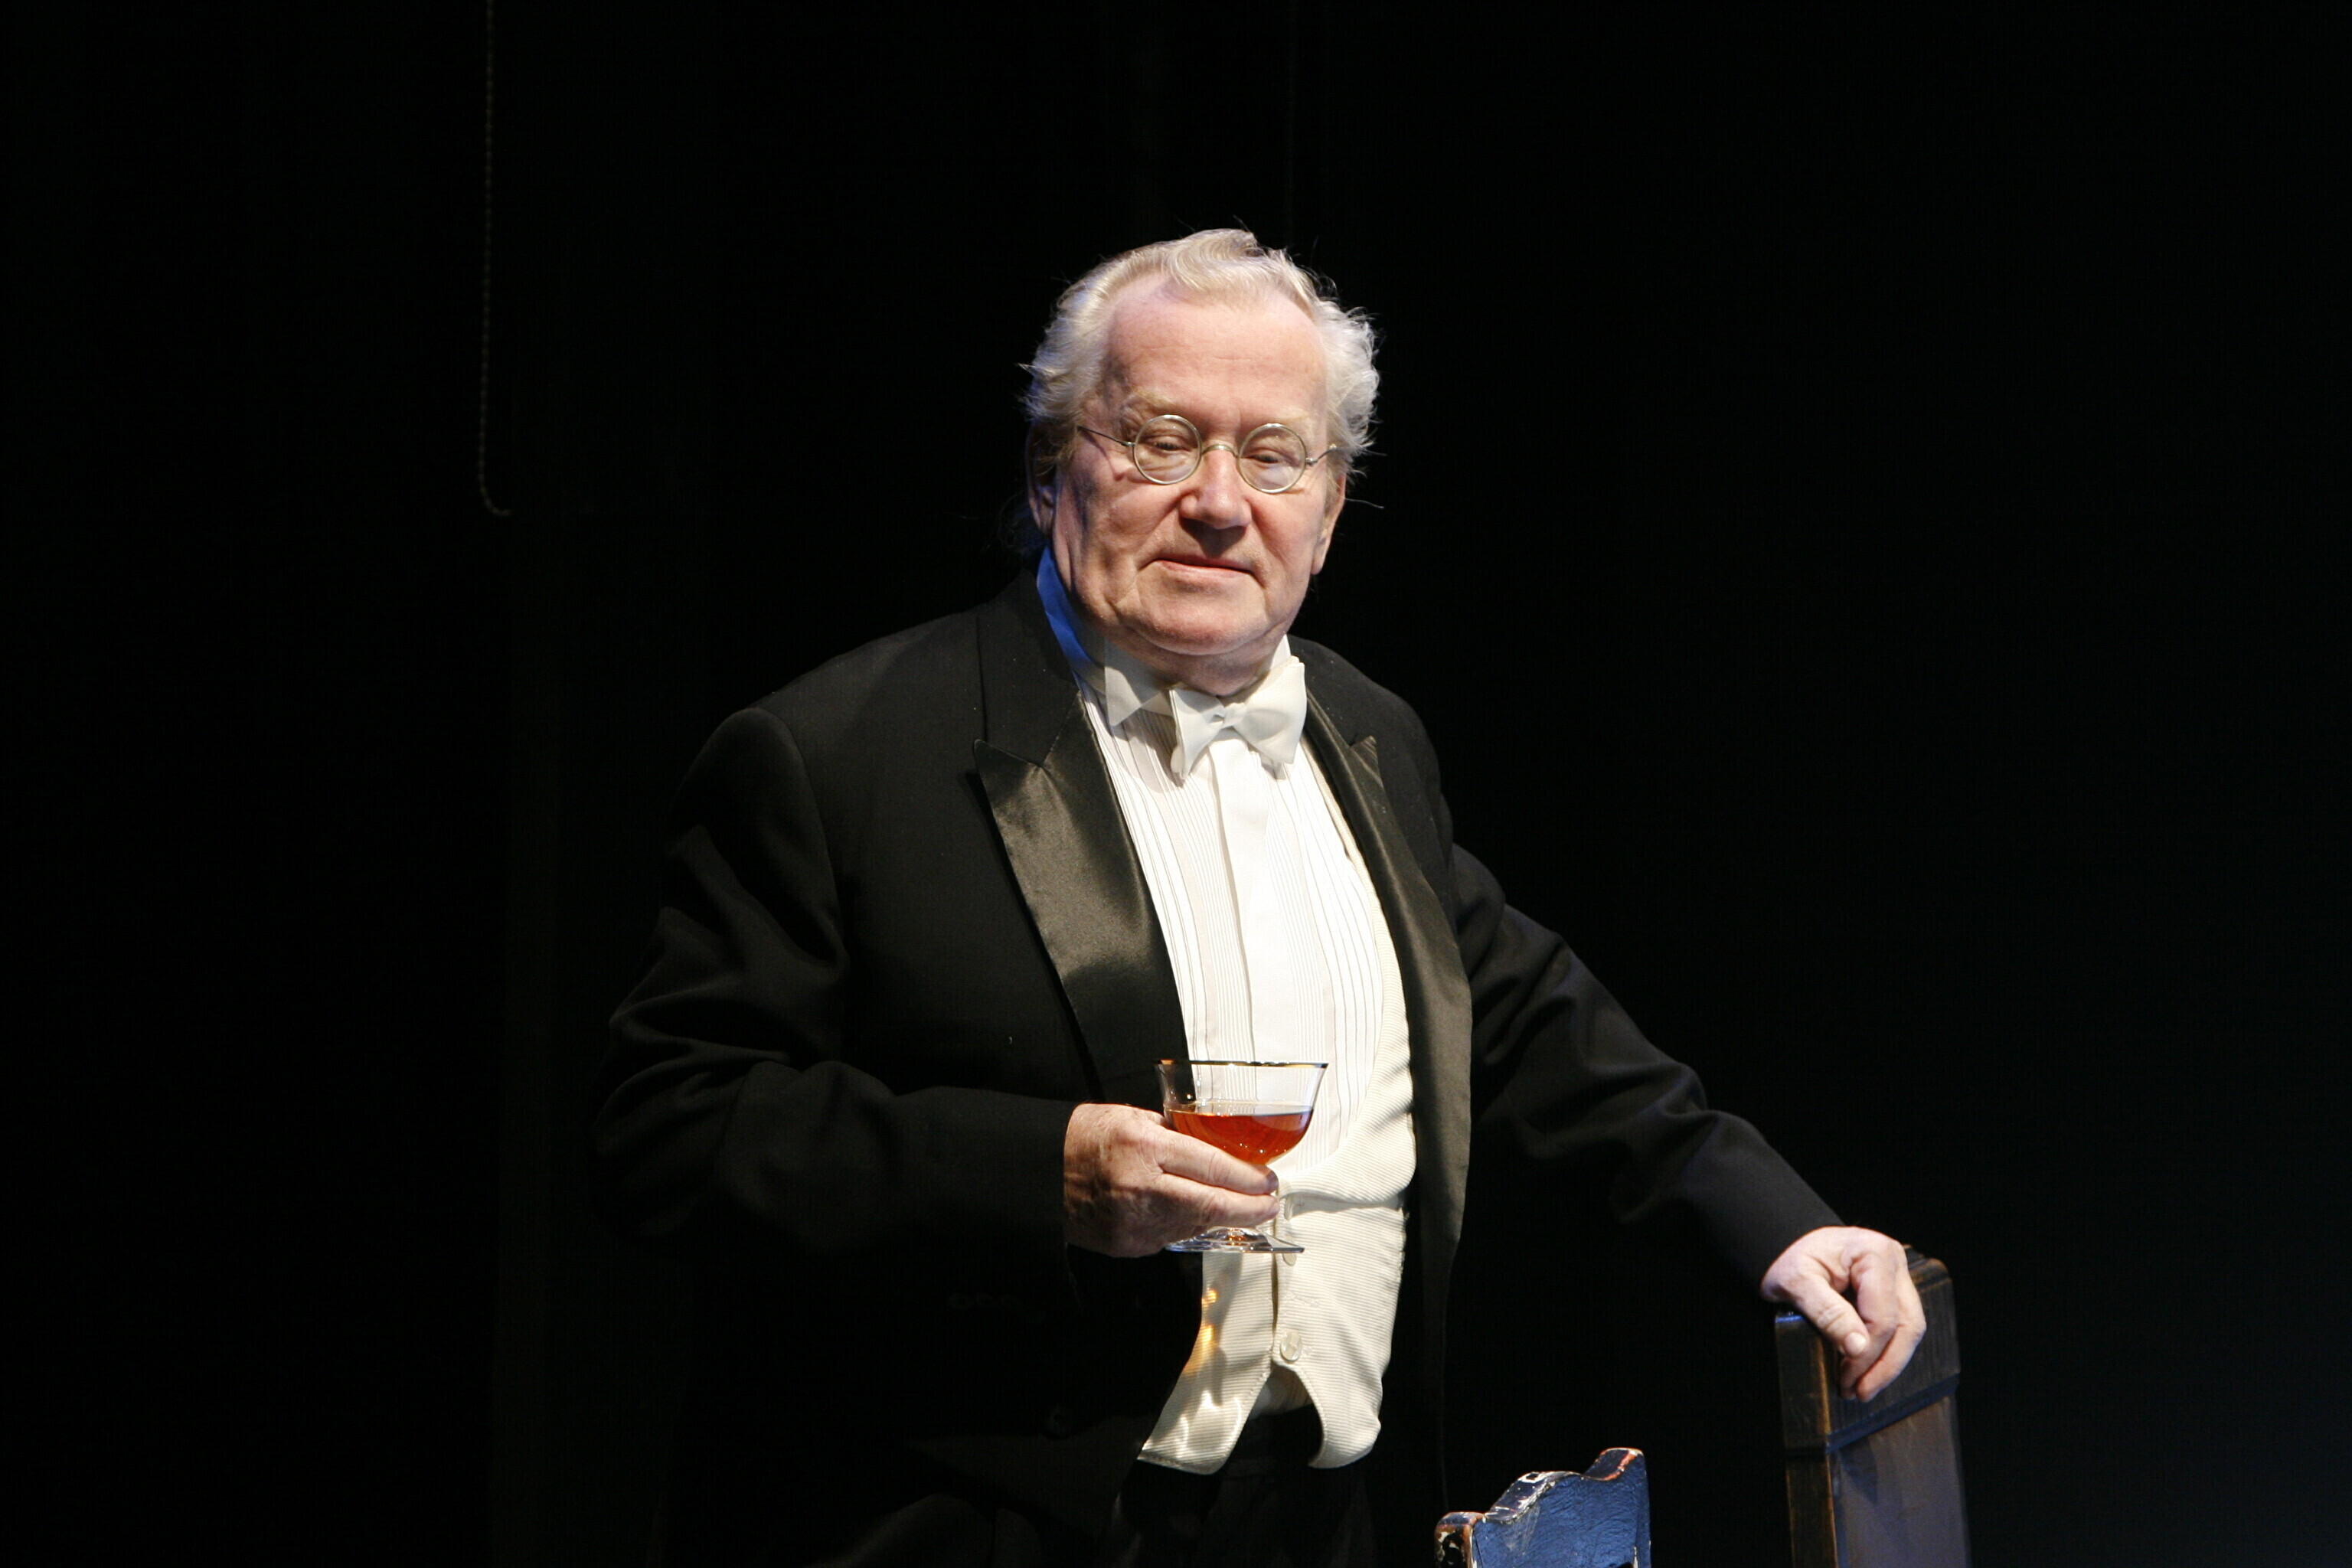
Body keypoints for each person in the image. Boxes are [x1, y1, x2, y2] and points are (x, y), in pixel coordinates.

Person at [593, 230, 1924, 1568]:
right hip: (981, 1527)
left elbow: (1516, 1014)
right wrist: (1042, 1177)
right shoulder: (838, 753)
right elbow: (671, 1127)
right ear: (1055, 466)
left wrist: (1781, 1226)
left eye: (1276, 455)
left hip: (1321, 1522)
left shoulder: (1370, 734)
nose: (1221, 503)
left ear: (1330, 508)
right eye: (1164, 440)